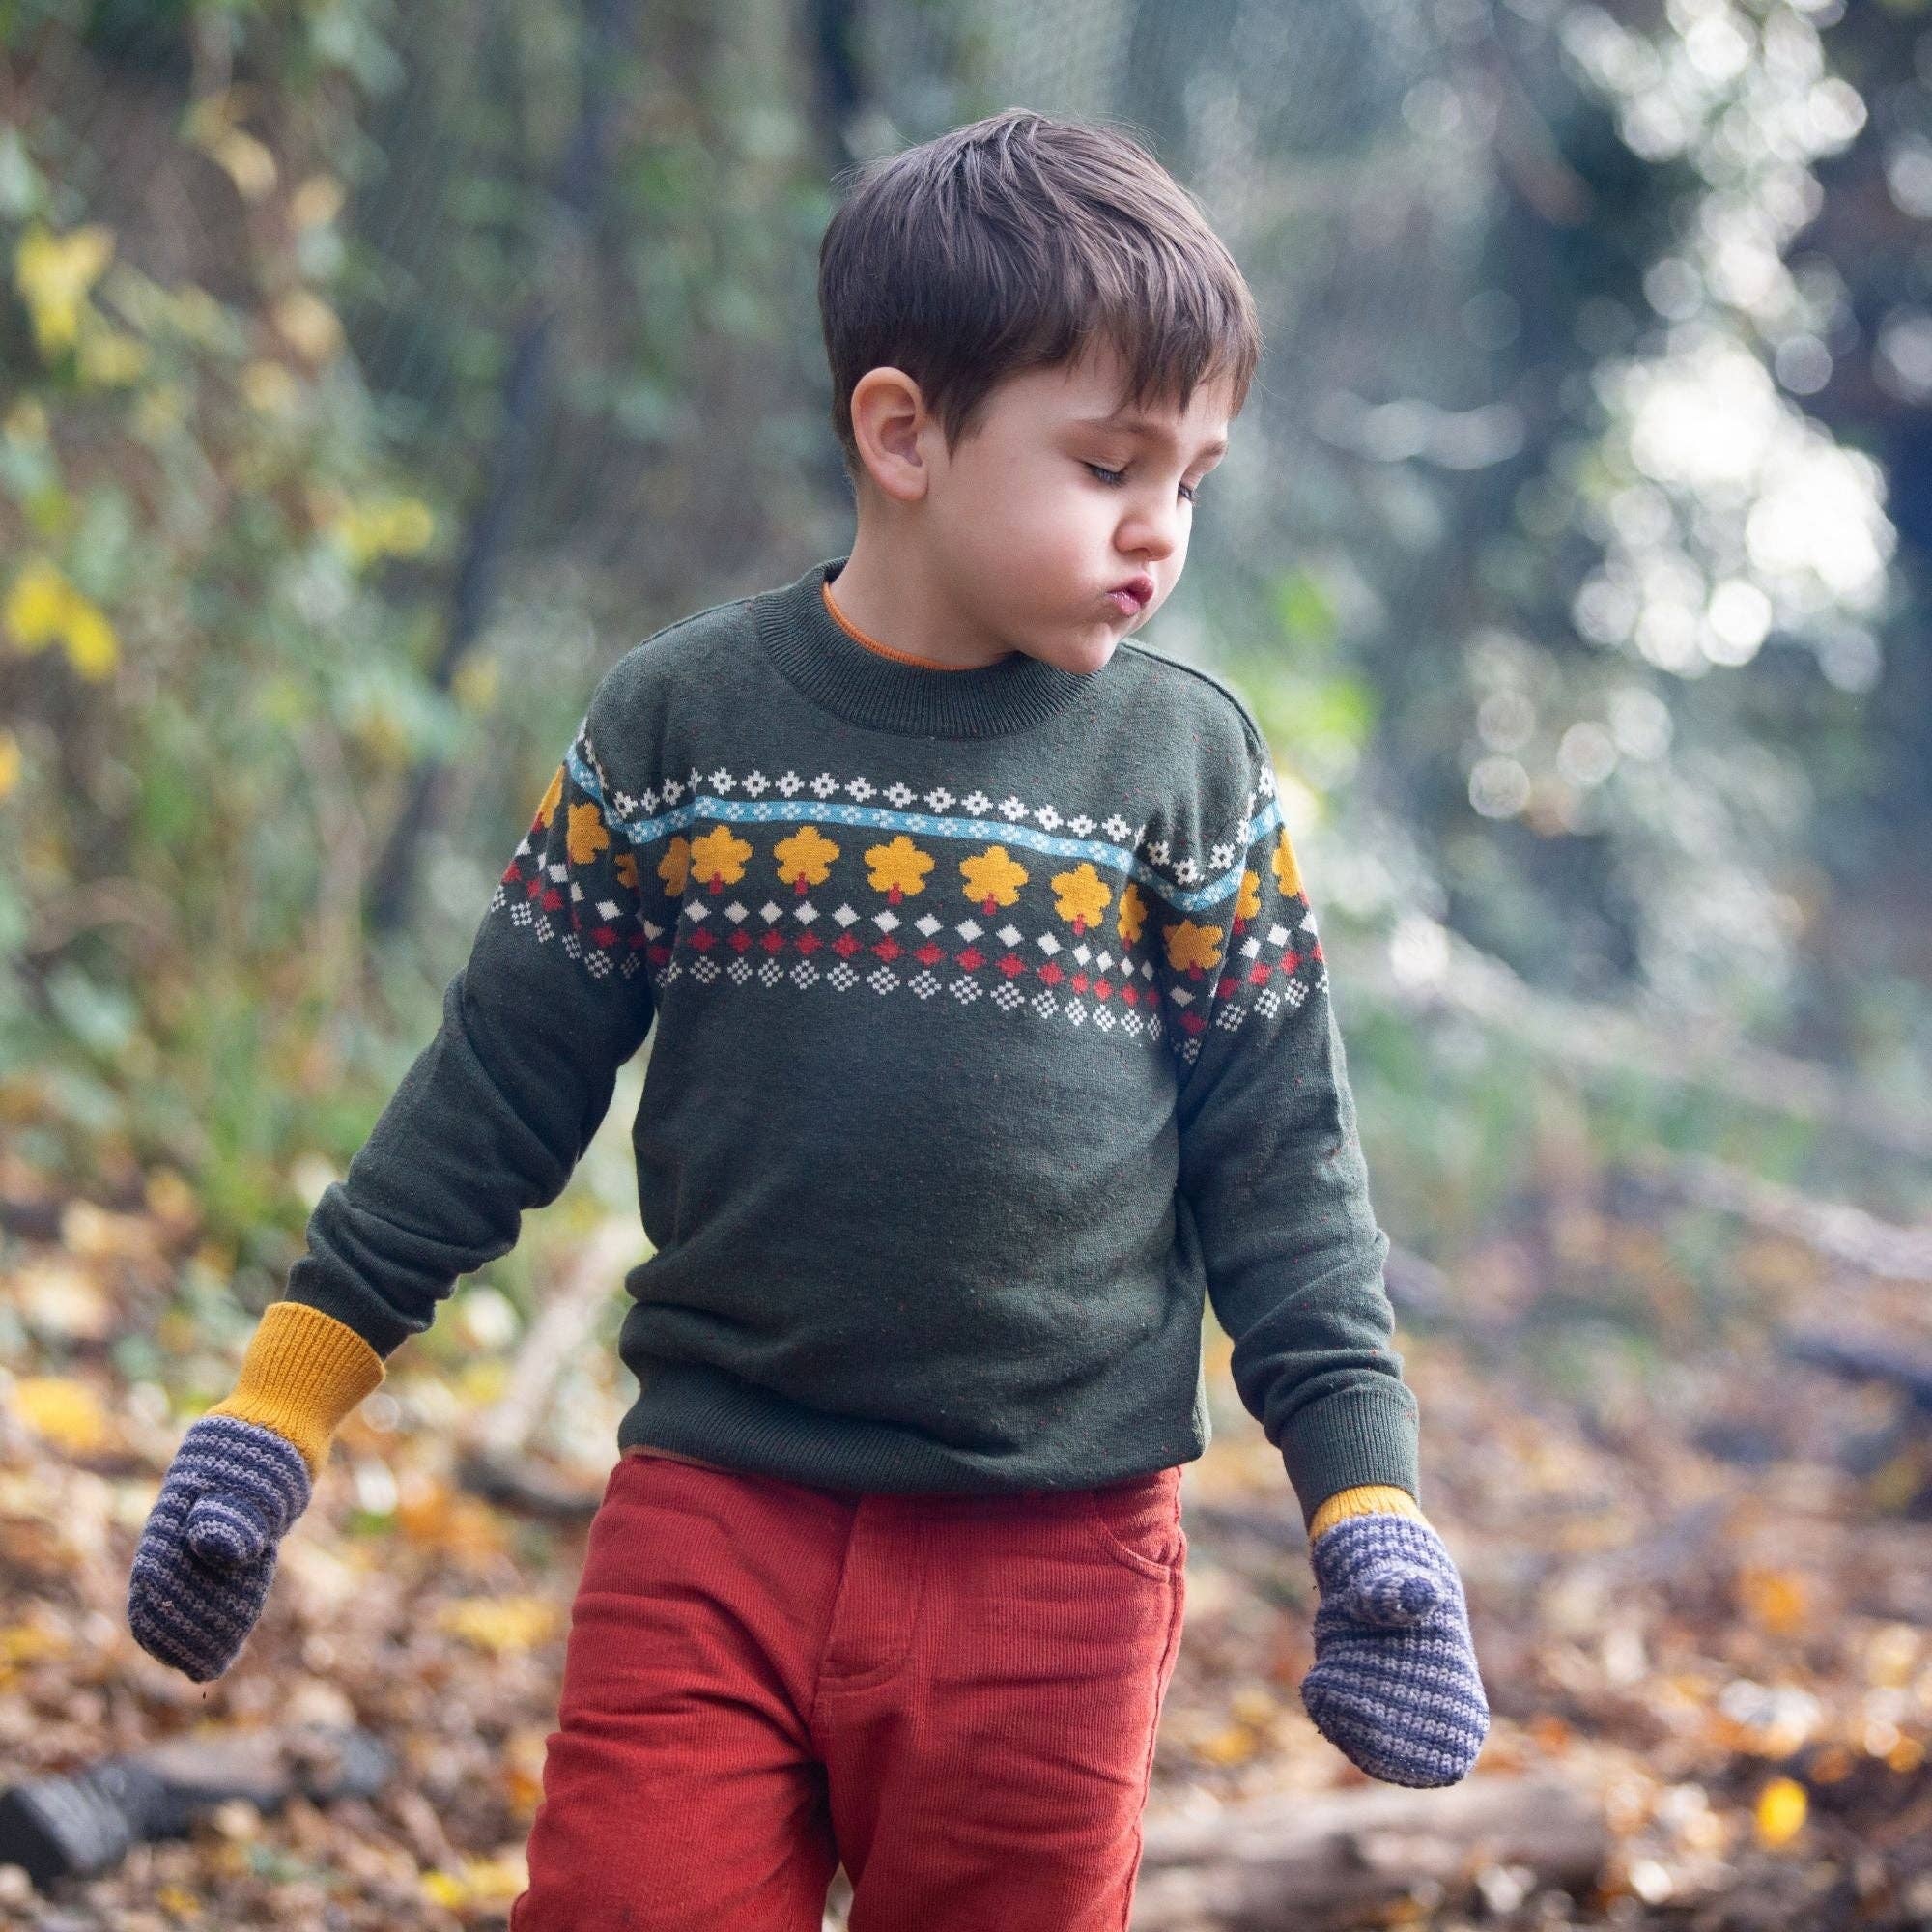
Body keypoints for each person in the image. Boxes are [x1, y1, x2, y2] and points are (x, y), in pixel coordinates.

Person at [127, 106, 1488, 1930]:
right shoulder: (682, 728)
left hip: (1056, 1567)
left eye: (1195, 476)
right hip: (718, 1516)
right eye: (1109, 464)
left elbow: (1284, 1174)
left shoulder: (1185, 768)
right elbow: (497, 1089)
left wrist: (1368, 1519)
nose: (1162, 527)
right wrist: (279, 1412)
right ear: (903, 432)